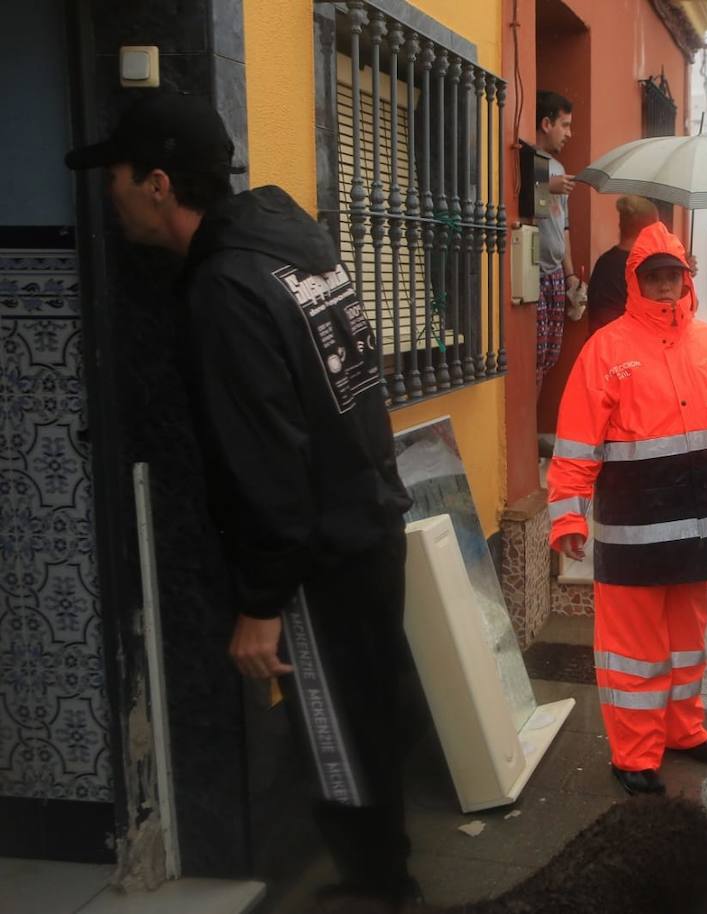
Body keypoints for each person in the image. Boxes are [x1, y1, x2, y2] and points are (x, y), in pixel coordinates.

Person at [66, 94, 418, 907]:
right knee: (366, 722)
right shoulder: (290, 238)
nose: (108, 194)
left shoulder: (224, 287)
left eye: (116, 176)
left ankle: (381, 894)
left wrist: (261, 602)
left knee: (336, 741)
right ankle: (386, 876)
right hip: (365, 529)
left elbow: (266, 456)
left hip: (318, 560)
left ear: (158, 183)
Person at [547, 222, 707, 796]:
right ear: (635, 281)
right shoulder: (606, 350)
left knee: (686, 639)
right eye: (651, 277)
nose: (663, 286)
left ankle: (684, 731)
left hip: (702, 523)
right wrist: (568, 514)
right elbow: (577, 442)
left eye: (671, 275)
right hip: (633, 527)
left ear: (686, 279)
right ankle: (633, 752)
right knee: (632, 649)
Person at [535, 89, 579, 387]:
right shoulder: (529, 160)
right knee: (534, 357)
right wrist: (545, 186)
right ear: (546, 124)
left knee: (549, 358)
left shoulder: (559, 168)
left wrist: (571, 274)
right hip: (533, 273)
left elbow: (563, 227)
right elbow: (521, 204)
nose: (570, 133)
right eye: (564, 125)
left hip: (555, 275)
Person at [586, 195, 663, 334]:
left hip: (602, 344)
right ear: (649, 229)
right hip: (629, 345)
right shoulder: (644, 267)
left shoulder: (604, 262)